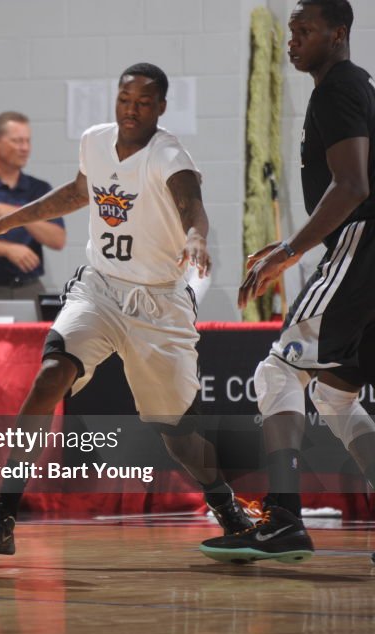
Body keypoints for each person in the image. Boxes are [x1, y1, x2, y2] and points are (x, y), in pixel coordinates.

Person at [0, 63, 252, 556]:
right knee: (49, 378)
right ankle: (2, 517)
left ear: (161, 108)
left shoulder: (168, 155)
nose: (131, 111)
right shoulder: (95, 141)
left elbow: (192, 205)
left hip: (158, 303)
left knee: (177, 435)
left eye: (143, 103)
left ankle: (225, 504)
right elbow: (79, 192)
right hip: (99, 288)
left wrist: (197, 236)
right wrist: (9, 221)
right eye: (124, 100)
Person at [201, 0, 375, 564]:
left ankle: (282, 520)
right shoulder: (353, 86)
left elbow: (351, 186)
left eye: (305, 30)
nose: (292, 39)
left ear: (339, 34)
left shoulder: (339, 89)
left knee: (277, 373)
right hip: (365, 254)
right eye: (291, 30)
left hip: (359, 248)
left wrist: (288, 250)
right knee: (334, 393)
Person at [0, 112, 66, 302]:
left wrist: (15, 214)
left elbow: (57, 240)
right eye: (17, 141)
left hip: (29, 288)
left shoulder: (40, 189)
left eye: (28, 141)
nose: (25, 148)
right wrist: (7, 249)